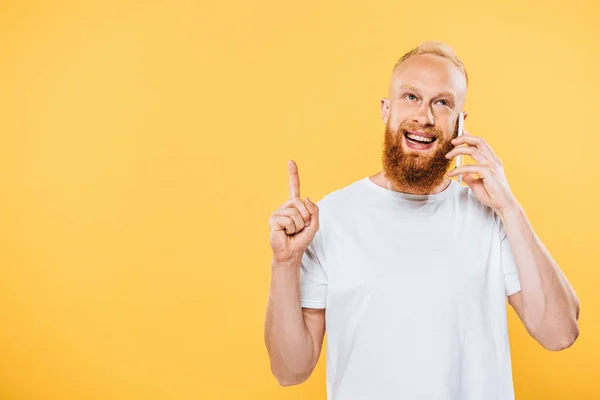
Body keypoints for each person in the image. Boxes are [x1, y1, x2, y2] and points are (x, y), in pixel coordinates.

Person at [263, 41, 580, 400]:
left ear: (461, 122)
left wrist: (509, 206)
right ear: (386, 109)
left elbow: (559, 333)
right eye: (410, 97)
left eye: (442, 103)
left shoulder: (491, 217)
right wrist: (285, 263)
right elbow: (290, 371)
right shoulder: (329, 219)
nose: (424, 117)